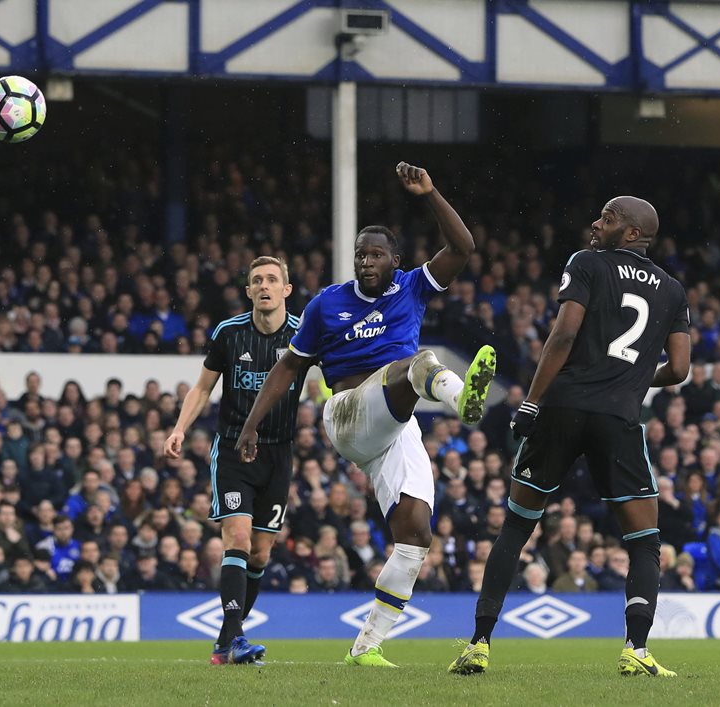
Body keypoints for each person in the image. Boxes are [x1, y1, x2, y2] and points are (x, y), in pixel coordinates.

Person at [236, 163, 495, 668]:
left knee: (416, 536)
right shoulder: (326, 305)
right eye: (360, 254)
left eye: (376, 254)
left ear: (395, 261)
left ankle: (366, 646)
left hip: (396, 428)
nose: (365, 261)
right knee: (418, 364)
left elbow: (463, 248)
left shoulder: (412, 287)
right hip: (349, 413)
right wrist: (251, 423)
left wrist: (431, 192)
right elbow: (288, 368)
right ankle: (462, 398)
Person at [451, 196, 690, 678]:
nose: (594, 223)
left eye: (607, 218)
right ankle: (636, 650)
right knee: (643, 542)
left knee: (517, 527)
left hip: (560, 408)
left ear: (630, 234)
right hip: (618, 418)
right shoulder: (672, 289)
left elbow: (562, 336)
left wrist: (530, 401)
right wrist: (631, 381)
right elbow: (680, 369)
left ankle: (479, 643)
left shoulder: (586, 263)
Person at [165, 256, 301, 666]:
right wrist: (179, 428)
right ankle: (238, 637)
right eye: (256, 280)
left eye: (272, 280)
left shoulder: (302, 336)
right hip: (233, 451)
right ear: (248, 292)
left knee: (260, 554)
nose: (264, 286)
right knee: (237, 540)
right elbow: (203, 388)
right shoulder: (228, 334)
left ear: (286, 290)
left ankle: (226, 641)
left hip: (279, 453)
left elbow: (334, 381)